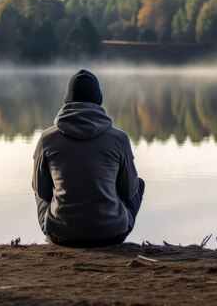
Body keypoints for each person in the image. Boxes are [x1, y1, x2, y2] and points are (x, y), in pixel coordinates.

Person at [32, 69, 145, 247]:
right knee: (138, 183)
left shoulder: (47, 138)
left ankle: (61, 224)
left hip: (61, 236)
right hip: (112, 234)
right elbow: (128, 193)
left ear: (66, 100)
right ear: (99, 100)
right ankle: (107, 222)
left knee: (38, 189)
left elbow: (43, 192)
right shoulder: (119, 138)